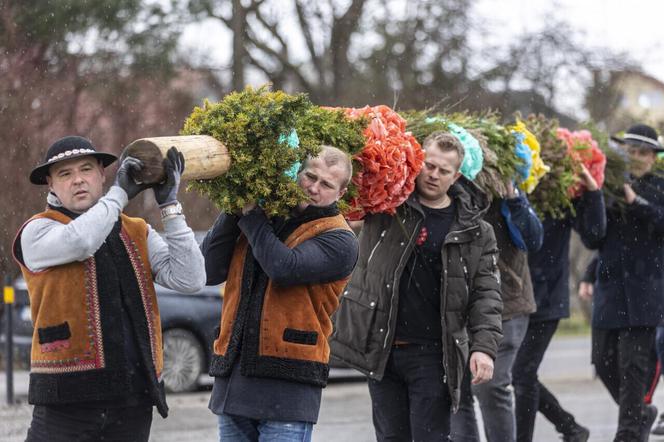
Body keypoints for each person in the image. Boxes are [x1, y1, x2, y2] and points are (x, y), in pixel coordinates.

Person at [12, 136, 206, 442]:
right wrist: (118, 194)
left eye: (86, 169)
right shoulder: (38, 230)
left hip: (133, 398)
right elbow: (82, 241)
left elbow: (191, 279)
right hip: (66, 401)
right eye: (64, 174)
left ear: (102, 174)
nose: (77, 180)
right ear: (50, 184)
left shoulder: (135, 229)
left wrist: (170, 205)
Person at [329, 131, 503, 441]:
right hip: (382, 348)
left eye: (443, 171)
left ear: (457, 175)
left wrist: (484, 349)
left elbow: (486, 293)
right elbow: (352, 177)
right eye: (429, 165)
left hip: (433, 355)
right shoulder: (386, 205)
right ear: (418, 161)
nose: (433, 175)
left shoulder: (476, 230)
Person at [201, 145, 359, 442]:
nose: (313, 188)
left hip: (289, 388)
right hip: (234, 382)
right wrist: (233, 205)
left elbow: (284, 267)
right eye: (309, 176)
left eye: (326, 184)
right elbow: (208, 270)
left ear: (341, 192)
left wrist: (250, 213)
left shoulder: (339, 238)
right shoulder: (262, 215)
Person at [578, 124, 664, 442]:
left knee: (633, 369)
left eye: (643, 152)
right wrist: (593, 197)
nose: (636, 157)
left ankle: (628, 432)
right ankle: (640, 414)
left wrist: (636, 203)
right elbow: (596, 239)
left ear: (653, 158)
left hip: (646, 291)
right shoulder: (607, 186)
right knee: (602, 361)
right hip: (610, 289)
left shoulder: (659, 187)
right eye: (630, 151)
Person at [512, 164, 605, 442]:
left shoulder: (560, 199)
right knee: (519, 375)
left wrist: (593, 192)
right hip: (514, 297)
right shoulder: (514, 193)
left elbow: (593, 236)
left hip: (547, 299)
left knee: (522, 374)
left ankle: (554, 431)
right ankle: (570, 427)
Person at [451, 180, 544, 442]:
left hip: (507, 303)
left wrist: (513, 197)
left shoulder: (504, 185)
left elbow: (533, 239)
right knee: (455, 390)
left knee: (490, 386)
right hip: (455, 305)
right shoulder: (441, 186)